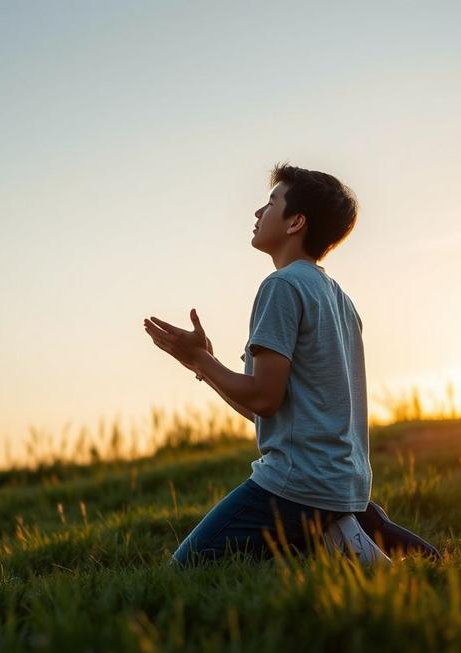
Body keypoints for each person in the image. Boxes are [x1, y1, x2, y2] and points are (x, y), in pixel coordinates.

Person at [143, 162, 440, 568]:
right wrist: (204, 365)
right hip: (342, 483)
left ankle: (337, 541)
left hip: (295, 486)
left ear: (296, 221)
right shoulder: (338, 298)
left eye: (271, 203)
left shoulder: (281, 287)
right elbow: (273, 410)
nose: (257, 213)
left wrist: (199, 357)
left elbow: (264, 399)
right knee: (268, 558)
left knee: (186, 568)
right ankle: (345, 529)